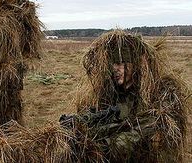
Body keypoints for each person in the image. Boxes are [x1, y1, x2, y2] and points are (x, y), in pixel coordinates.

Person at [74, 30, 188, 162]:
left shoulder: (160, 91)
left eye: (119, 64)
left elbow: (151, 129)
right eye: (112, 64)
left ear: (133, 65)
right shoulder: (107, 92)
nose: (115, 69)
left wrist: (107, 146)